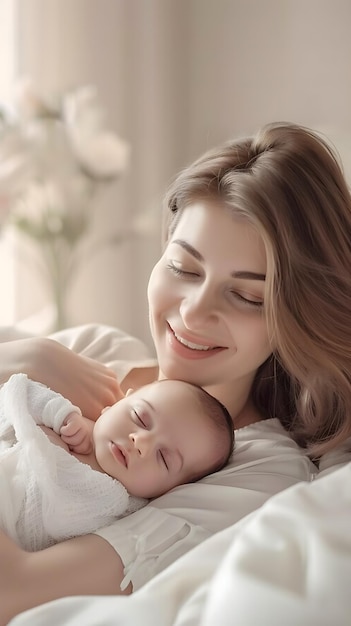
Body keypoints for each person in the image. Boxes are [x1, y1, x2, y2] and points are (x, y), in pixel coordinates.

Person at [1, 120, 350, 624]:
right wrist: (25, 357)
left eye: (247, 296)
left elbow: (13, 594)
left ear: (296, 314)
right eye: (184, 269)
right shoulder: (92, 349)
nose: (192, 314)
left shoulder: (258, 474)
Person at [0, 373, 234, 551]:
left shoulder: (122, 510)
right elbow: (18, 393)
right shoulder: (65, 417)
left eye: (163, 457)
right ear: (120, 401)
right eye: (140, 418)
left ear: (168, 490)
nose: (141, 442)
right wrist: (61, 414)